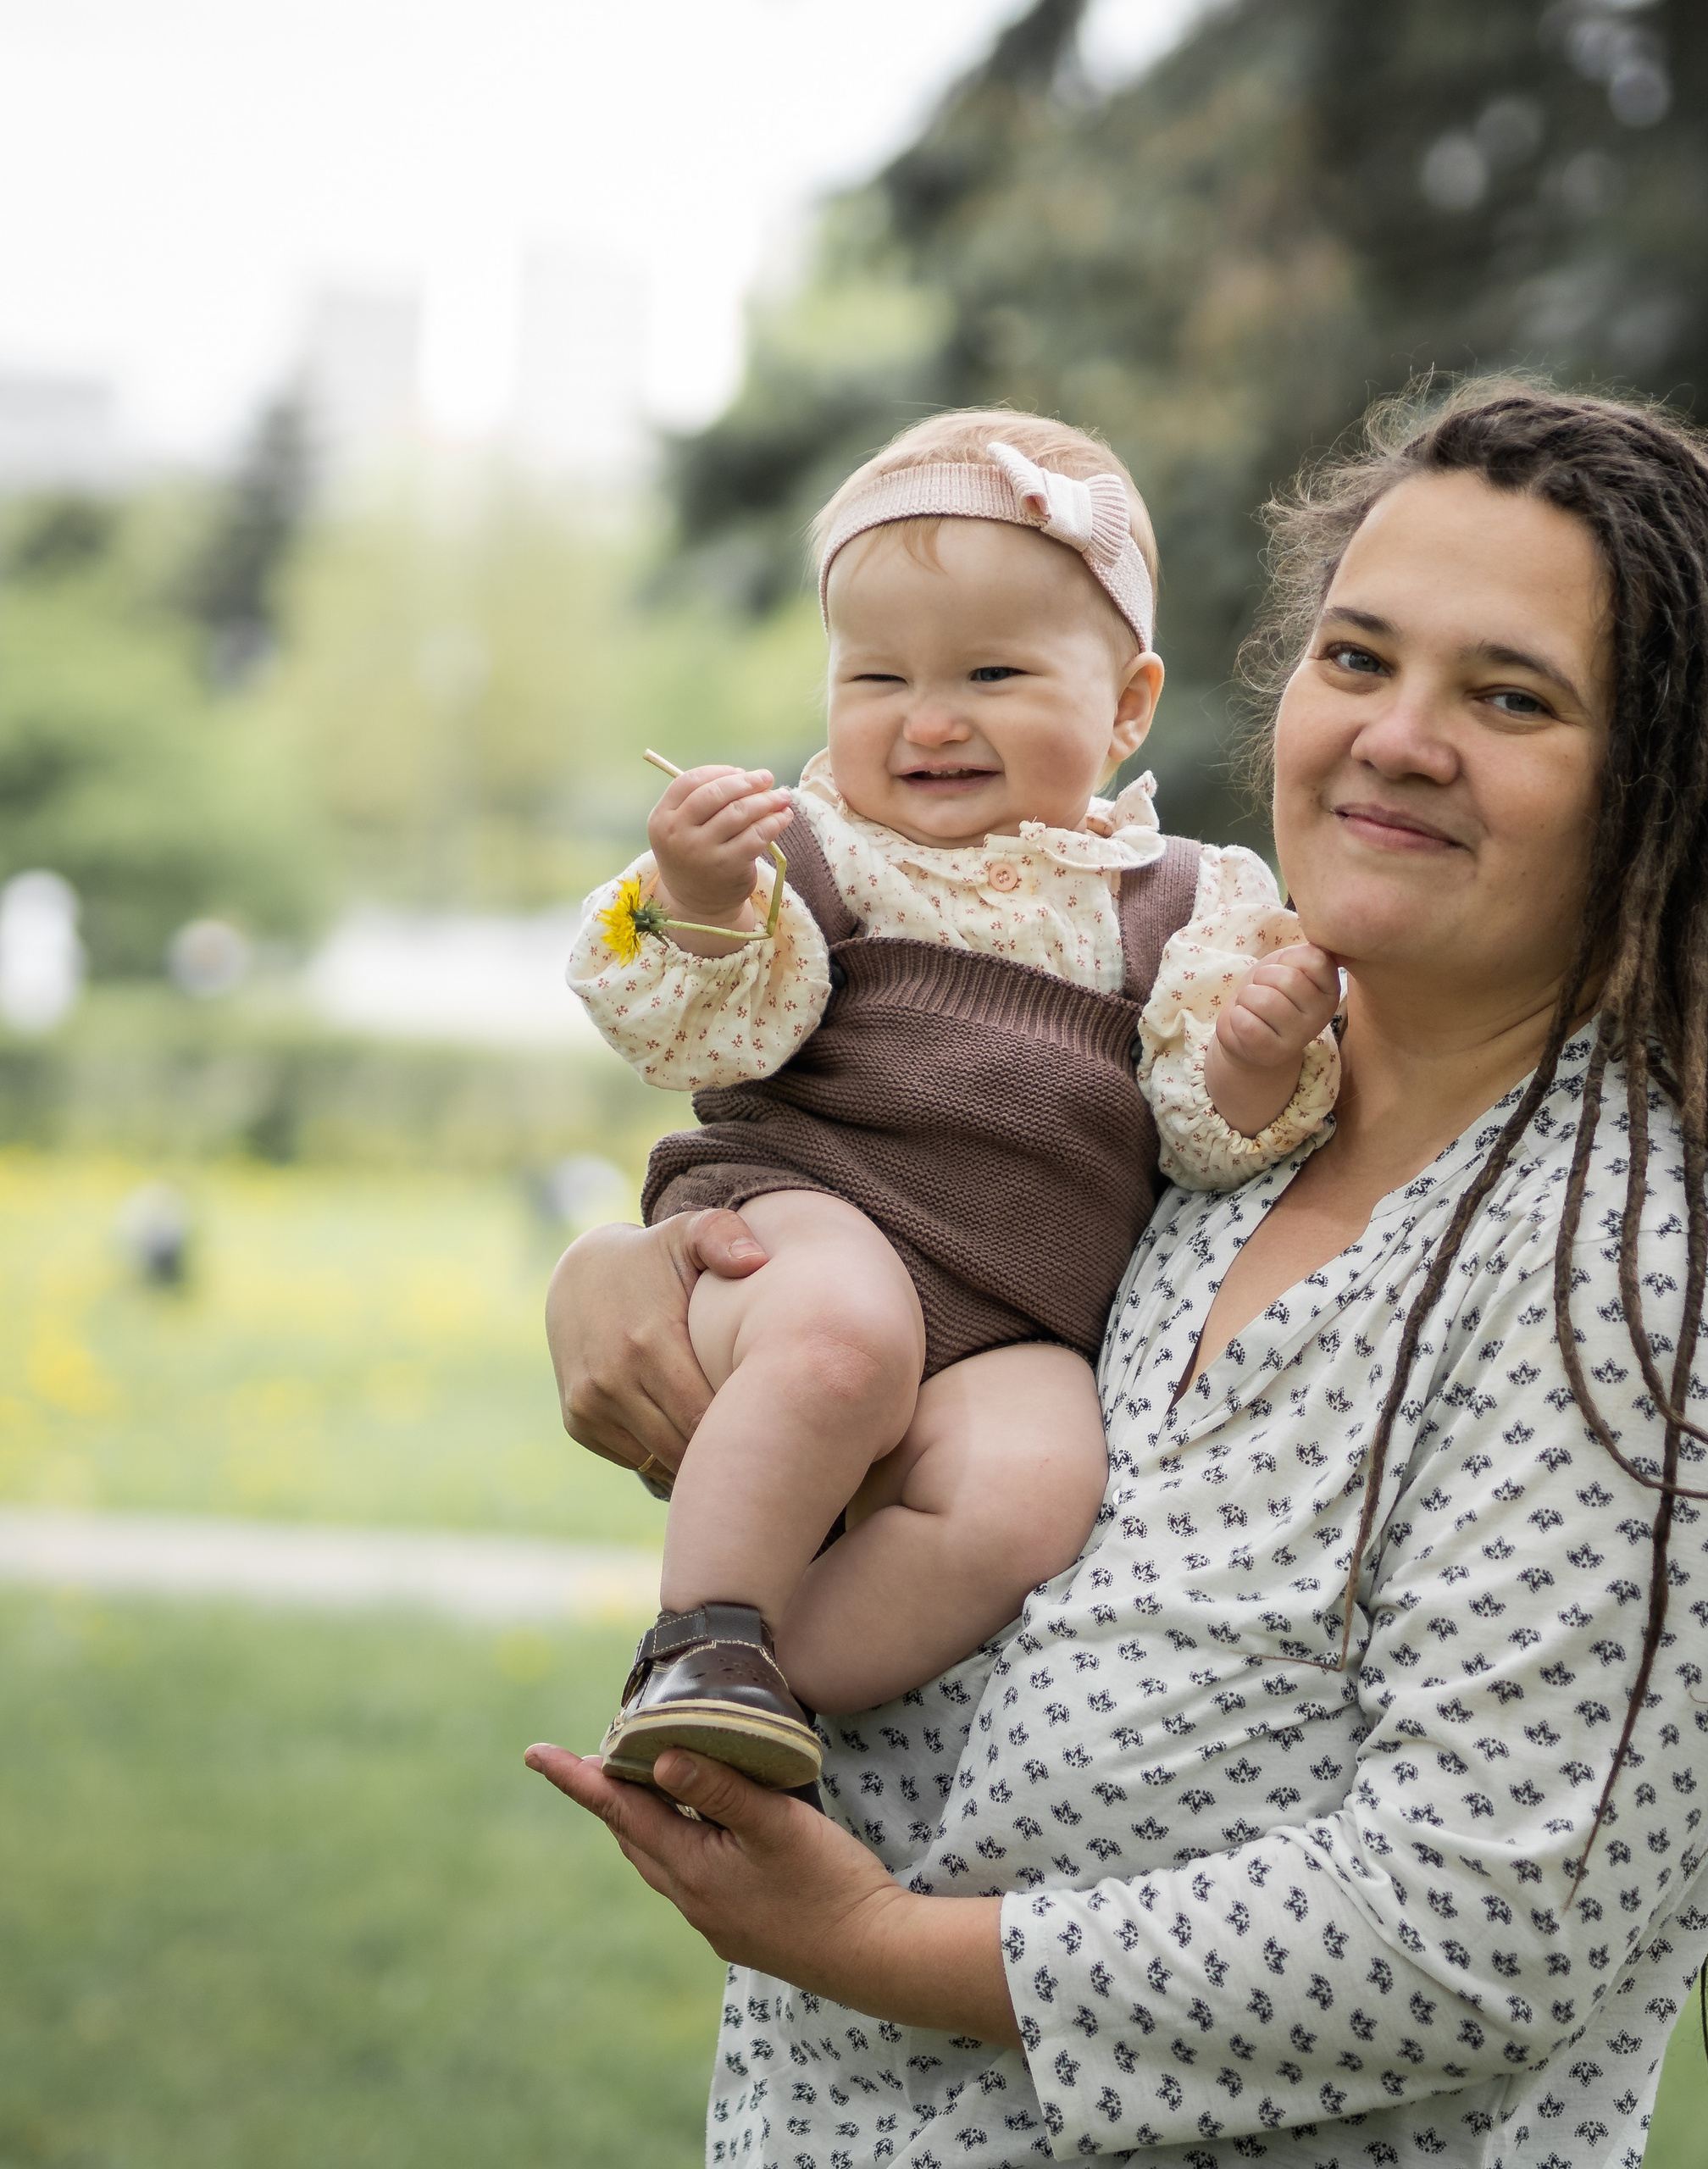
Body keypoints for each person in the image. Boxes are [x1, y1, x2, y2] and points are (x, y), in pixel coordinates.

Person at [531, 382, 1708, 2168]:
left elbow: (1478, 1927)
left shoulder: (1637, 1284)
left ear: (1663, 787)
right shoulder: (1205, 1123)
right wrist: (636, 1275)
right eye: (1357, 658)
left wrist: (864, 1942)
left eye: (1511, 697)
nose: (1397, 737)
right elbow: (883, 1295)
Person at [563, 410, 1343, 1792]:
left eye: (992, 672)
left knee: (1033, 1494)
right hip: (802, 1219)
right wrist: (696, 896)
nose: (927, 720)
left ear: (1128, 706)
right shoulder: (812, 854)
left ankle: (764, 1692)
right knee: (843, 1341)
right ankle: (701, 1635)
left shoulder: (1182, 900)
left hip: (1019, 1311)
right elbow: (696, 1028)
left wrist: (1258, 1056)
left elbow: (1204, 1134)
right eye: (877, 676)